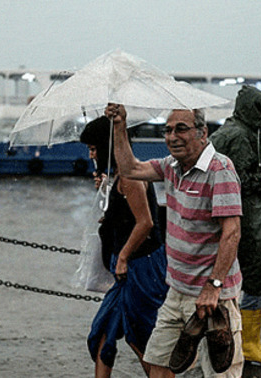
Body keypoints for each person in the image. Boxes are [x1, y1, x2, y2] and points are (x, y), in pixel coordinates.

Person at [107, 103, 244, 377]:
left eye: (181, 129)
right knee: (157, 364)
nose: (172, 137)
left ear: (202, 133)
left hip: (213, 298)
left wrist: (214, 286)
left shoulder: (220, 170)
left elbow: (232, 232)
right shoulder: (171, 166)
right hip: (177, 290)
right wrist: (120, 125)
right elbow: (130, 169)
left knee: (221, 373)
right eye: (167, 130)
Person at [81, 116, 169, 378]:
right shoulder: (119, 177)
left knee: (140, 337)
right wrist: (106, 192)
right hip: (127, 271)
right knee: (103, 331)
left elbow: (145, 222)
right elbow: (126, 216)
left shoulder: (129, 178)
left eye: (93, 149)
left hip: (140, 267)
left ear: (105, 147)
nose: (90, 155)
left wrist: (122, 257)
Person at [208, 85, 261, 365]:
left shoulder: (229, 130)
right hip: (247, 216)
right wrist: (259, 179)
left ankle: (220, 340)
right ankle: (249, 343)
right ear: (250, 110)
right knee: (255, 274)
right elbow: (237, 179)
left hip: (224, 215)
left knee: (226, 276)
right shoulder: (241, 136)